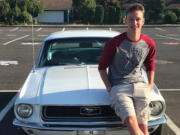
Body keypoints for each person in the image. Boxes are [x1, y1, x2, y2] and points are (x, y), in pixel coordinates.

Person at [98, 3, 156, 135]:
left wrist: (150, 85)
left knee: (144, 129)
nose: (134, 23)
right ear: (125, 20)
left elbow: (150, 65)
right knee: (131, 122)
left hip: (140, 85)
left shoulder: (149, 44)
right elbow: (102, 67)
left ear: (143, 21)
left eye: (137, 19)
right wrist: (109, 87)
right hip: (119, 86)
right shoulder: (114, 43)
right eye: (131, 19)